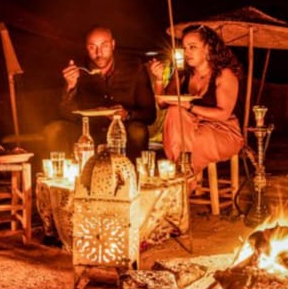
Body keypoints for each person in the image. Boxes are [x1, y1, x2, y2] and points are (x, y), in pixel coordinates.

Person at [43, 25, 156, 161]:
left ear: (113, 44)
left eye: (104, 46)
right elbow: (66, 114)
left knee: (138, 131)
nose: (99, 53)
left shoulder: (134, 68)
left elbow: (150, 115)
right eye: (92, 47)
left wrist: (127, 114)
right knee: (54, 130)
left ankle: (135, 176)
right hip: (88, 131)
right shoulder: (78, 70)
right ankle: (62, 178)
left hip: (122, 132)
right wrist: (70, 87)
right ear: (87, 48)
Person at [148, 24, 244, 177]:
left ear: (208, 48)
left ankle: (182, 177)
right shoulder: (183, 74)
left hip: (223, 130)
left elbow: (223, 114)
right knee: (174, 112)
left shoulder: (224, 74)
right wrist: (159, 80)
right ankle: (184, 173)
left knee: (196, 139)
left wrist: (190, 107)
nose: (187, 53)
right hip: (192, 127)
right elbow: (163, 103)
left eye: (192, 47)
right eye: (184, 48)